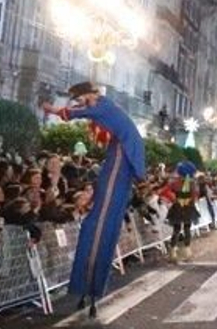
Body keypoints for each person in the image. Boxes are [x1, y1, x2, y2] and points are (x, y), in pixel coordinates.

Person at [41, 82, 146, 316]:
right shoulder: (106, 108)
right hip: (119, 157)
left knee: (100, 226)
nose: (81, 103)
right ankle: (88, 288)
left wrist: (53, 110)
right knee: (99, 223)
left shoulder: (102, 106)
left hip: (122, 158)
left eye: (81, 99)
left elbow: (78, 113)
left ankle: (89, 286)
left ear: (89, 94)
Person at [162, 161, 200, 263]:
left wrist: (173, 198)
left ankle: (173, 254)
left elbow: (163, 191)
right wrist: (189, 201)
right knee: (187, 229)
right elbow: (195, 195)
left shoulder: (175, 182)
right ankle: (187, 253)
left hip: (177, 207)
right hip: (188, 207)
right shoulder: (192, 183)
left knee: (176, 230)